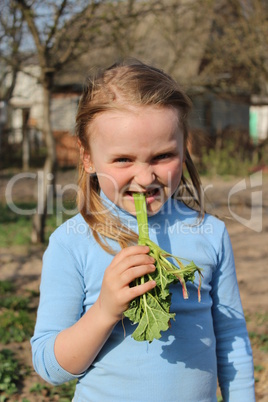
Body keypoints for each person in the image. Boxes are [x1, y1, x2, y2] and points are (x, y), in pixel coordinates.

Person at [31, 59, 255, 402]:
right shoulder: (70, 243)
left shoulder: (209, 233)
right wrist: (105, 311)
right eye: (123, 160)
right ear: (87, 156)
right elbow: (50, 368)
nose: (146, 177)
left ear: (184, 146)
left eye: (163, 156)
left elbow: (231, 338)